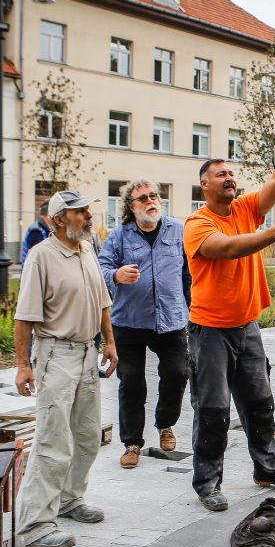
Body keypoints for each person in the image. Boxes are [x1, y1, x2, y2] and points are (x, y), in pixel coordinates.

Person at [183, 158, 275, 512]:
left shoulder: (245, 208)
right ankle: (207, 483)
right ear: (204, 184)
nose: (229, 178)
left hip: (247, 326)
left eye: (231, 173)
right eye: (220, 174)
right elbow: (228, 248)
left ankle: (267, 468)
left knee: (260, 403)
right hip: (210, 331)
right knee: (213, 410)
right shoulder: (197, 223)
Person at [13, 189, 118, 547]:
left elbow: (103, 300)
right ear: (59, 219)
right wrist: (24, 366)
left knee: (87, 436)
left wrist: (110, 342)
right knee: (53, 441)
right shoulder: (41, 257)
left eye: (88, 210)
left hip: (87, 353)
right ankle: (35, 526)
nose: (88, 216)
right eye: (79, 212)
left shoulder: (87, 249)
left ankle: (70, 500)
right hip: (56, 355)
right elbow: (24, 317)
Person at [98, 179, 191, 470]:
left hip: (171, 318)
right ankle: (132, 443)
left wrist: (190, 308)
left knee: (177, 372)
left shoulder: (177, 230)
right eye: (142, 198)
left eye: (153, 196)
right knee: (132, 382)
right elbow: (99, 269)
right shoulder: (119, 236)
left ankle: (165, 423)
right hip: (130, 322)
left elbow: (189, 273)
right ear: (130, 207)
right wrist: (116, 275)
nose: (150, 201)